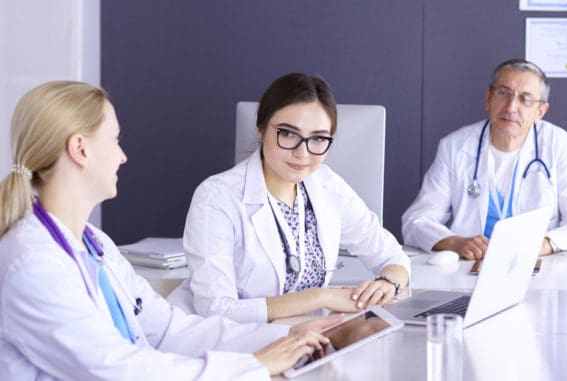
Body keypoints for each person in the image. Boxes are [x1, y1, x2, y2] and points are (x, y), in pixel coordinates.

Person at [0, 80, 342, 380]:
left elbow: (166, 329)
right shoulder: (33, 266)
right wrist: (254, 366)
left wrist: (284, 337)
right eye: (116, 139)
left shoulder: (94, 243)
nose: (122, 156)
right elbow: (118, 370)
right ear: (80, 149)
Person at [168, 73, 410, 323]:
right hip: (226, 345)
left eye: (318, 138)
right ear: (261, 129)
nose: (302, 153)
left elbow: (393, 257)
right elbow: (218, 310)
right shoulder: (216, 197)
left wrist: (387, 283)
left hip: (299, 338)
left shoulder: (327, 185)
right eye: (288, 134)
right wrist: (321, 298)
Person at [402, 59, 567, 260]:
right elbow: (415, 222)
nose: (511, 107)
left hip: (535, 266)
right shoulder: (455, 146)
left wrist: (543, 244)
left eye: (526, 99)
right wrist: (455, 242)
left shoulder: (557, 144)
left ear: (540, 111)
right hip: (469, 267)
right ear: (488, 98)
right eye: (503, 93)